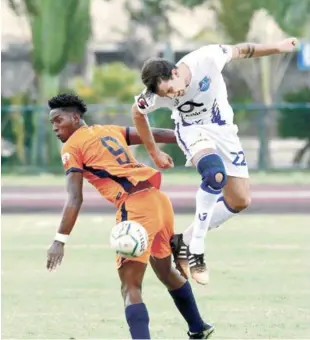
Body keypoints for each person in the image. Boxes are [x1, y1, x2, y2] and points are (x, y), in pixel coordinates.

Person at [46, 93, 215, 340]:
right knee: (166, 271)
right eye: (52, 123)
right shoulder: (108, 130)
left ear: (75, 117)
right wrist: (192, 140)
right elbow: (152, 132)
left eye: (58, 120)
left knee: (130, 286)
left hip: (135, 207)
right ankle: (198, 327)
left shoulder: (71, 147)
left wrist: (60, 240)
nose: (54, 127)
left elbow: (74, 198)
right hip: (159, 201)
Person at [132, 38, 298, 285]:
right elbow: (137, 113)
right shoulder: (152, 94)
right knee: (214, 175)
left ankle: (182, 241)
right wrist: (154, 152)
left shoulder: (207, 58)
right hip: (192, 131)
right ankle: (196, 250)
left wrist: (278, 47)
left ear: (176, 72)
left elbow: (243, 50)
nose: (172, 95)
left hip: (224, 131)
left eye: (171, 89)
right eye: (166, 94)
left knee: (240, 200)